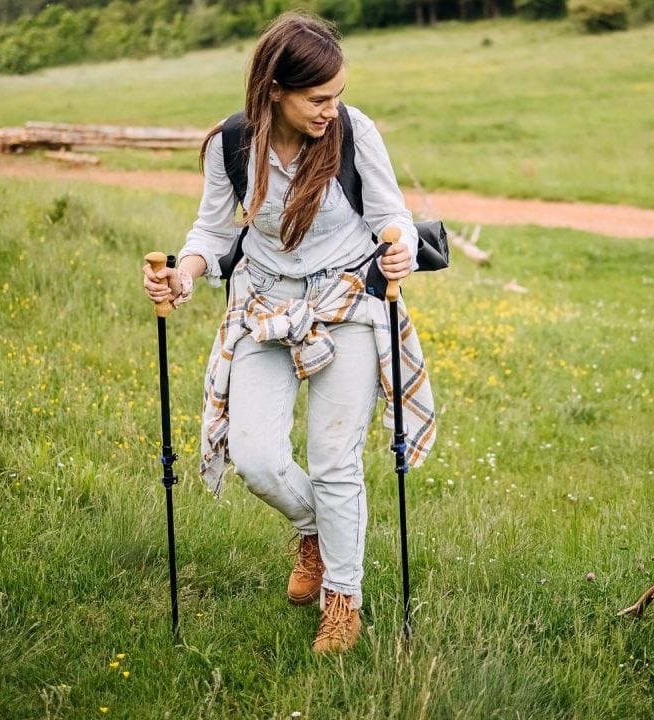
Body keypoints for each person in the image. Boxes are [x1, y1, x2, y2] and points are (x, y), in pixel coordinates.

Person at [142, 12, 435, 654]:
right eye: (317, 98)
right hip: (264, 303)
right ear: (274, 88)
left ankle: (343, 598)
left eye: (337, 94)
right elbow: (213, 235)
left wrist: (398, 248)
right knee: (255, 457)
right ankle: (315, 531)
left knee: (334, 461)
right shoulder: (232, 143)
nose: (332, 109)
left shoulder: (354, 133)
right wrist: (184, 276)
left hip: (346, 299)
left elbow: (392, 216)